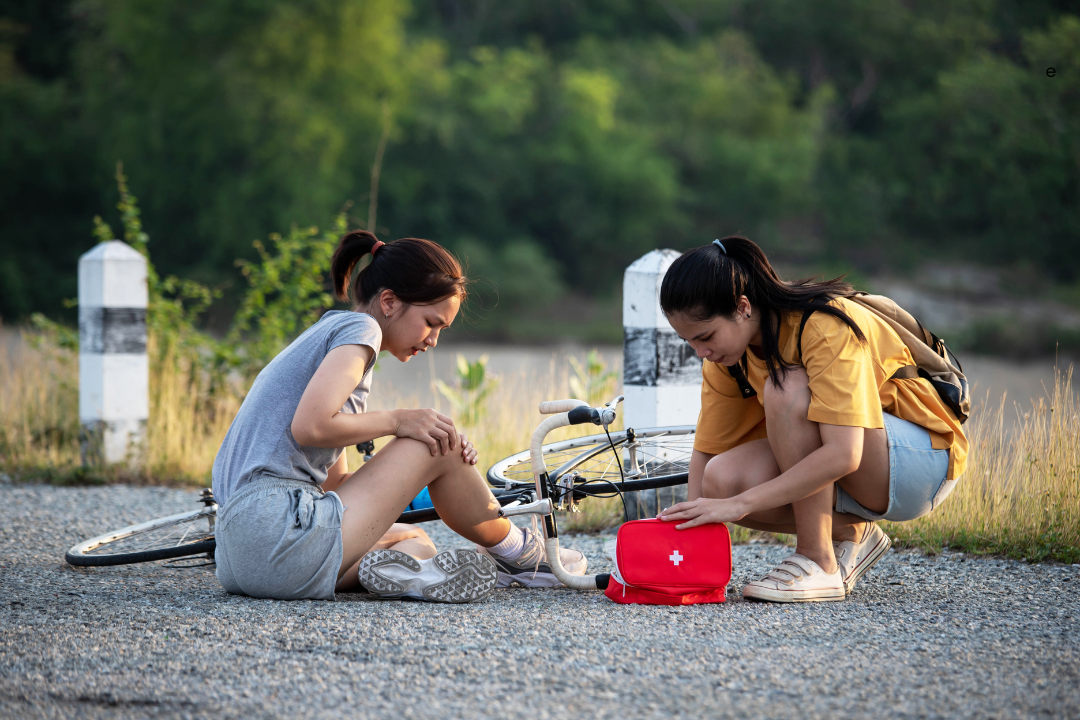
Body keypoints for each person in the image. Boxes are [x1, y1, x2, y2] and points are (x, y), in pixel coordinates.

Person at [211, 230, 586, 602]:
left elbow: (334, 484)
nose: (433, 340)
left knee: (414, 540)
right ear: (389, 302)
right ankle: (520, 556)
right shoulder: (362, 329)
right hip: (276, 528)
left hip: (242, 557)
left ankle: (414, 575)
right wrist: (405, 426)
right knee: (436, 440)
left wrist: (410, 477)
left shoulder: (328, 334)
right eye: (431, 322)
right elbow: (310, 427)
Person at [657, 237, 967, 602]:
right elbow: (706, 454)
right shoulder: (726, 356)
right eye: (689, 342)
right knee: (720, 483)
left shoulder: (822, 324)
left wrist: (741, 505)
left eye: (705, 337)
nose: (701, 353)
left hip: (920, 460)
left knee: (786, 387)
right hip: (857, 460)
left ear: (742, 307)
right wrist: (687, 546)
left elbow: (844, 455)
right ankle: (853, 535)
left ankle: (818, 560)